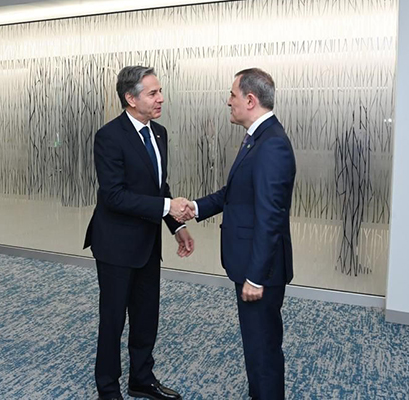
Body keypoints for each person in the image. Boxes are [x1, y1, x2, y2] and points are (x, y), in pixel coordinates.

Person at [84, 65, 195, 400]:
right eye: (153, 93)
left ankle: (141, 379)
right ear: (131, 99)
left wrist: (177, 226)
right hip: (115, 244)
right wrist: (168, 207)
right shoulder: (109, 136)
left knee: (147, 316)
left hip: (148, 242)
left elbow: (159, 186)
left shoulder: (159, 133)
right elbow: (114, 196)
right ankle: (108, 388)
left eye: (160, 92)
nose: (160, 98)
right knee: (113, 319)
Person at [189, 68, 296, 400]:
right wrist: (195, 207)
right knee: (256, 346)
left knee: (263, 350)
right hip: (251, 264)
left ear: (250, 100)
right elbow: (234, 193)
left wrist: (256, 277)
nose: (228, 101)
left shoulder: (271, 145)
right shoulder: (257, 138)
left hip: (259, 270)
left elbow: (270, 217)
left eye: (232, 95)